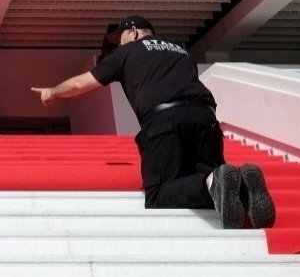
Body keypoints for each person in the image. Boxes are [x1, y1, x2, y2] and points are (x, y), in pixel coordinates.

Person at [31, 15, 276, 229]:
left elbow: (81, 83)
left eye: (120, 38)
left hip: (165, 122)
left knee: (158, 195)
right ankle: (241, 185)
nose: (119, 44)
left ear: (133, 32)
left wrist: (52, 92)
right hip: (206, 118)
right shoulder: (180, 51)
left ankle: (214, 180)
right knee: (213, 183)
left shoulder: (126, 53)